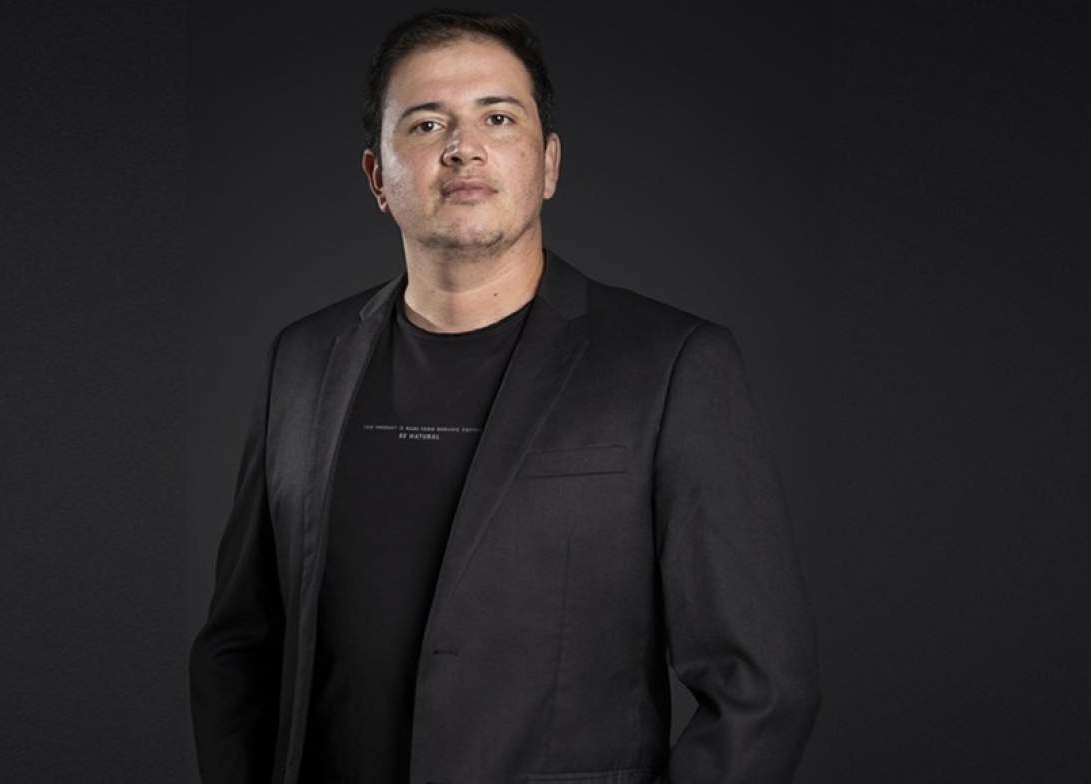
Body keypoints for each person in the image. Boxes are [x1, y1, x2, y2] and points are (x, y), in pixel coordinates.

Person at [189, 9, 820, 784]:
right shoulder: (302, 361)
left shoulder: (671, 365)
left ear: (548, 164)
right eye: (426, 124)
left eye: (498, 117)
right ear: (377, 177)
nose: (463, 147)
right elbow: (239, 647)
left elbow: (762, 691)